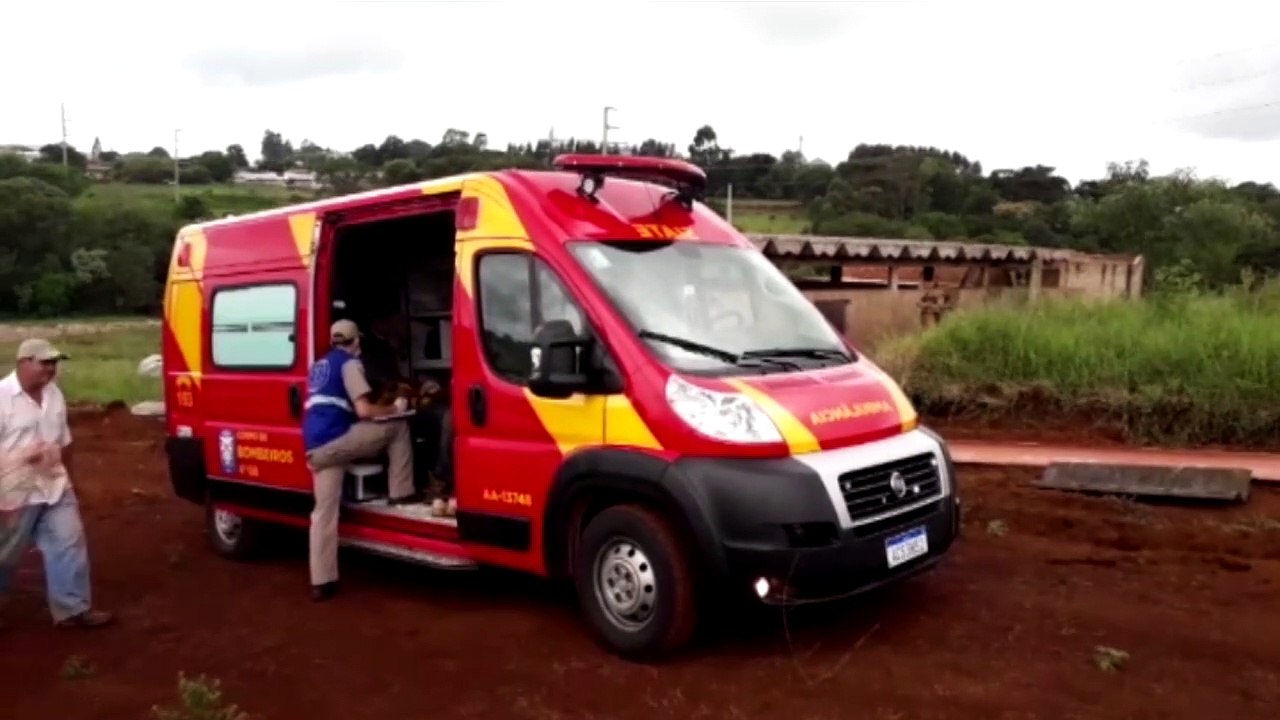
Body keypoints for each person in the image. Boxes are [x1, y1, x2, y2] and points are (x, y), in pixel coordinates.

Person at [302, 319, 422, 602]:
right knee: (398, 427)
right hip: (337, 440)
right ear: (356, 342)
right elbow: (365, 410)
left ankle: (321, 581)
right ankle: (400, 492)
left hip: (315, 447)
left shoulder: (320, 365)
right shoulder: (350, 364)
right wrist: (395, 408)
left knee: (323, 513)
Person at [0, 338, 113, 630]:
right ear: (24, 362)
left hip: (53, 485)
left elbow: (65, 442)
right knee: (5, 553)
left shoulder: (55, 396)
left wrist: (71, 480)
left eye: (54, 363)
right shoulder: (2, 397)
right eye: (44, 362)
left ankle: (72, 608)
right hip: (13, 491)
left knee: (69, 541)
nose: (51, 369)